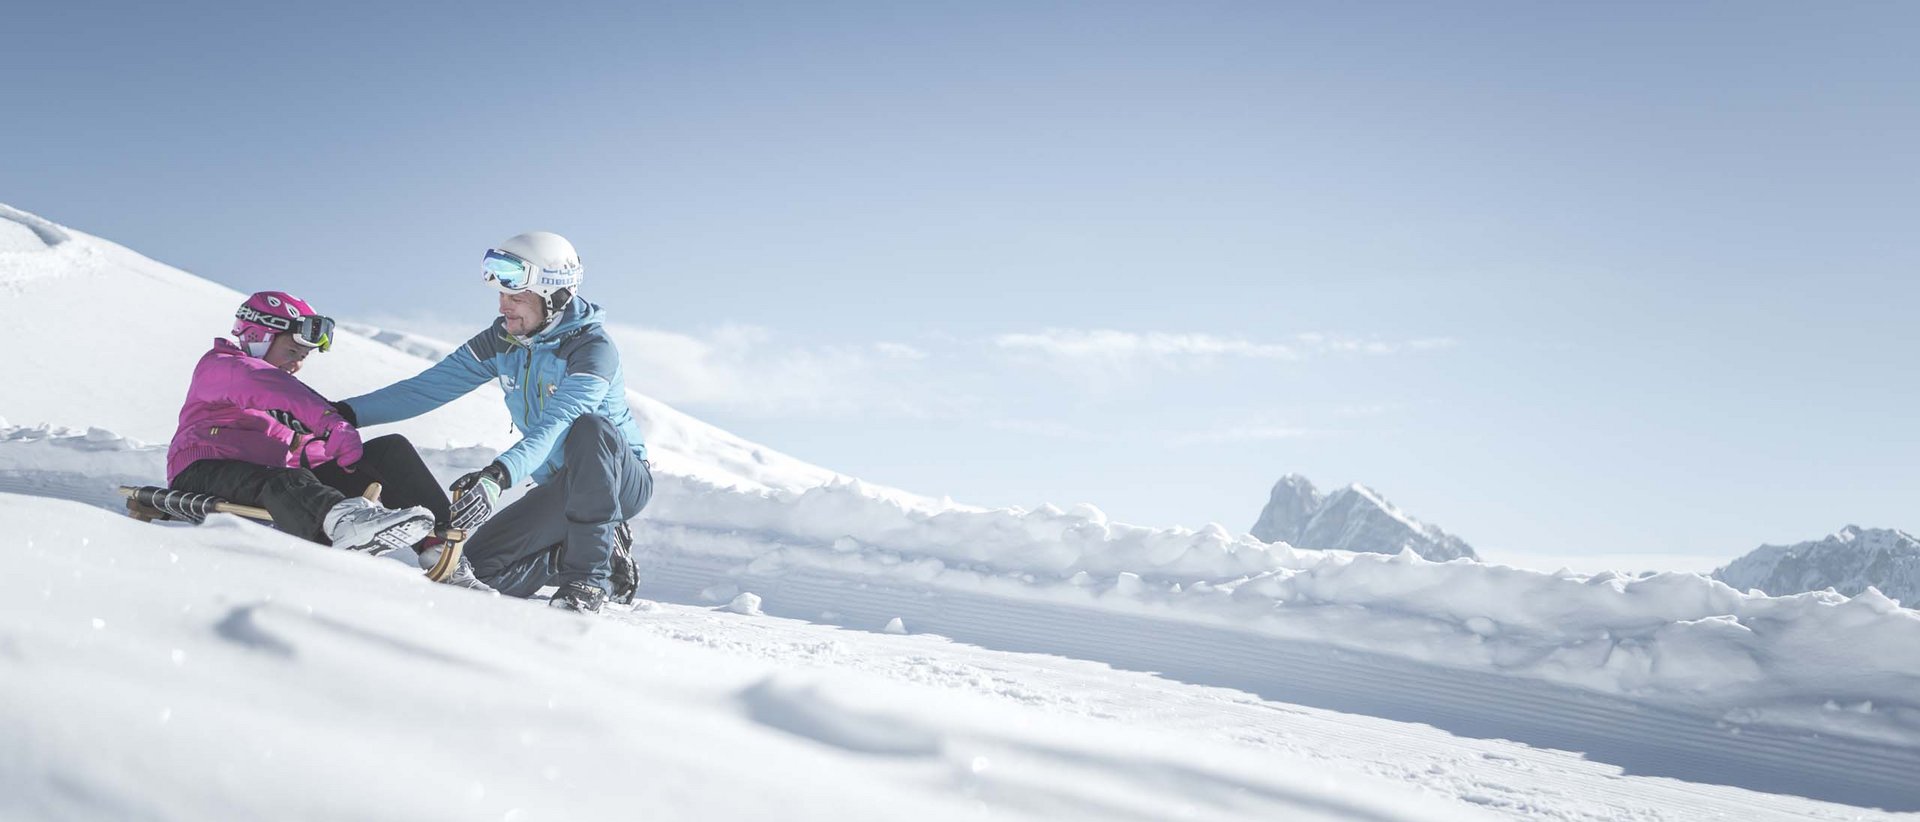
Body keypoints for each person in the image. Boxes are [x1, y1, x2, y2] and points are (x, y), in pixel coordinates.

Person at [336, 232, 651, 612]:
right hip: (561, 486)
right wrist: (340, 413)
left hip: (619, 481)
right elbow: (426, 389)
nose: (503, 306)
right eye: (501, 295)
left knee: (590, 428)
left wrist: (497, 476)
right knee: (475, 572)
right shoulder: (503, 340)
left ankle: (588, 579)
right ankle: (591, 557)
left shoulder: (592, 349)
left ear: (554, 296)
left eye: (516, 297)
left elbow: (559, 423)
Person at [166, 290, 493, 591]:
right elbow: (266, 384)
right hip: (202, 471)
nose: (297, 364)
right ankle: (342, 522)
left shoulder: (280, 396)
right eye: (292, 350)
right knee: (287, 480)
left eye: (303, 356)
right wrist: (330, 422)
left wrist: (342, 459)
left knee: (387, 451)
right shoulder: (221, 365)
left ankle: (441, 551)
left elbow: (300, 447)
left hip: (267, 478)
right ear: (258, 336)